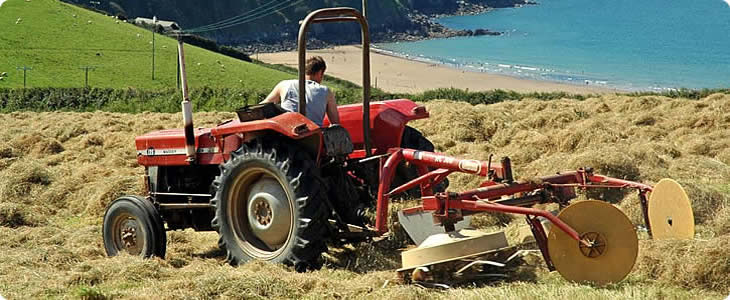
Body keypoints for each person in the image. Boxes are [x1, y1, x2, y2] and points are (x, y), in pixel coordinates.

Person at [261, 56, 339, 126]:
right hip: (313, 136)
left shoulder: (284, 85)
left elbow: (263, 106)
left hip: (286, 133)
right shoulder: (326, 91)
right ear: (320, 73)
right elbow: (335, 123)